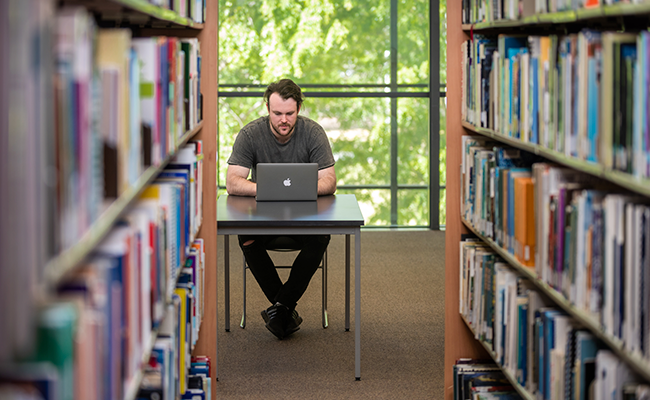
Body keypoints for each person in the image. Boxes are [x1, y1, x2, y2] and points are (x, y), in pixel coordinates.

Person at [225, 78, 337, 339]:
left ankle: (280, 308)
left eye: (289, 113)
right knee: (246, 237)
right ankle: (284, 309)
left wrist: (296, 190)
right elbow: (232, 181)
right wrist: (266, 189)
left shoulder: (313, 132)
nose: (283, 120)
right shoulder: (250, 134)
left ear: (298, 109)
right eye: (277, 113)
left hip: (305, 220)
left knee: (321, 237)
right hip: (263, 221)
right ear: (267, 108)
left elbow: (330, 181)